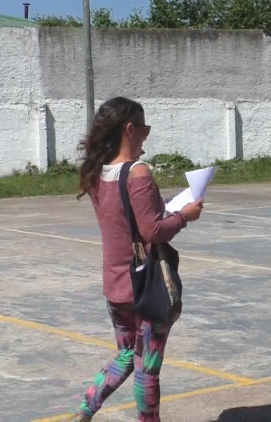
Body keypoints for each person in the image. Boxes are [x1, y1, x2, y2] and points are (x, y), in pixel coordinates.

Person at [73, 97, 204, 422]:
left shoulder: (96, 173)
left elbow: (129, 221)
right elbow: (153, 230)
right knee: (148, 368)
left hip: (116, 288)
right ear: (129, 130)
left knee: (127, 355)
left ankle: (88, 405)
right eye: (144, 128)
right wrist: (185, 215)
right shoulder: (137, 173)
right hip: (145, 288)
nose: (147, 134)